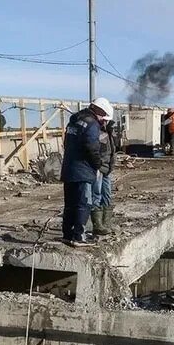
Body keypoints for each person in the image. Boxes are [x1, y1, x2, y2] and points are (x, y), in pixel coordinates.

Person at [60, 97, 113, 247]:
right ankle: (79, 237)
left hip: (69, 168)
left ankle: (67, 235)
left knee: (70, 204)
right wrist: (98, 165)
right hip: (83, 170)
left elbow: (67, 143)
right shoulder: (91, 124)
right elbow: (91, 148)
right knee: (84, 203)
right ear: (99, 111)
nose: (104, 121)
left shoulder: (74, 121)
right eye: (104, 117)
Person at [93, 117, 118, 236]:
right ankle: (98, 225)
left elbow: (112, 149)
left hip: (107, 167)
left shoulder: (107, 132)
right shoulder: (97, 131)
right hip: (100, 167)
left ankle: (105, 224)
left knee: (106, 194)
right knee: (96, 194)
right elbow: (97, 151)